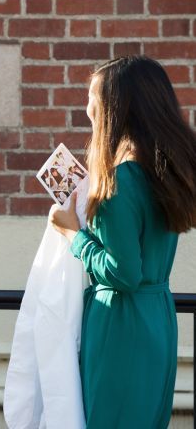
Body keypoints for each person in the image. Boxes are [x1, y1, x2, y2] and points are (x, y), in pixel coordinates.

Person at [49, 55, 196, 427]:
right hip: (157, 316)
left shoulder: (120, 180)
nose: (88, 109)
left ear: (117, 107)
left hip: (121, 321)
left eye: (93, 99)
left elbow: (122, 272)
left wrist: (72, 233)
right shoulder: (164, 171)